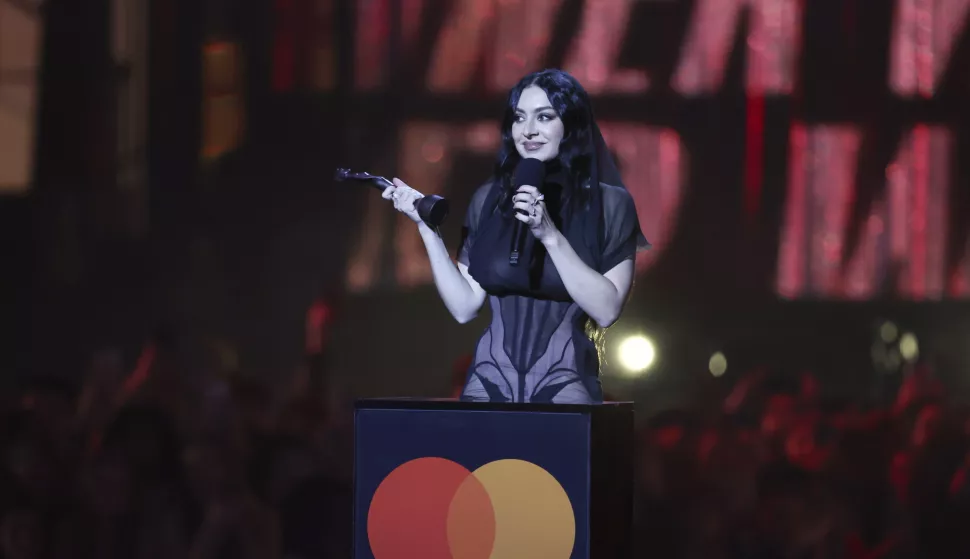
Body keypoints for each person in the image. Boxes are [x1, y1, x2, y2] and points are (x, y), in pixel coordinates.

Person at [382, 69, 649, 404]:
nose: (529, 130)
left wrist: (549, 235)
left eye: (545, 117)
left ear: (572, 125)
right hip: (488, 380)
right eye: (520, 117)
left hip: (564, 382)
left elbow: (607, 309)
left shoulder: (610, 205)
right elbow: (465, 306)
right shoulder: (490, 199)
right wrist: (426, 228)